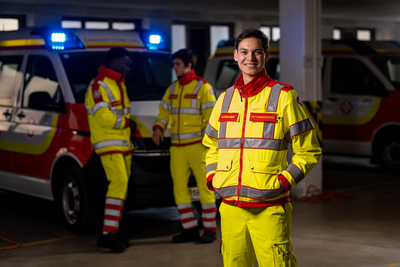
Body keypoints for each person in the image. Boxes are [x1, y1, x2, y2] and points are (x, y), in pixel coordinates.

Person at [202, 28, 321, 266]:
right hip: (230, 208)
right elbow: (211, 145)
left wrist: (283, 182)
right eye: (244, 52)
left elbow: (308, 150)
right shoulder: (224, 99)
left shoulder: (284, 96)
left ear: (266, 56)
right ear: (235, 55)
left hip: (269, 208)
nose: (250, 58)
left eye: (257, 52)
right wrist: (213, 177)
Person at [152, 49, 218, 243]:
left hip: (198, 147)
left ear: (189, 66)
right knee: (179, 188)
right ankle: (189, 228)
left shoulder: (203, 88)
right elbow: (163, 112)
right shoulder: (172, 89)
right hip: (177, 148)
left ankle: (210, 229)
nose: (174, 67)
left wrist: (209, 146)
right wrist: (158, 128)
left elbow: (212, 119)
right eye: (174, 64)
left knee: (205, 188)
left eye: (177, 64)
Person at [85, 47, 136, 253]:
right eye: (125, 63)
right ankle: (107, 234)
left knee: (121, 188)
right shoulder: (99, 85)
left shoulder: (118, 84)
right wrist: (127, 123)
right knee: (119, 184)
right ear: (115, 63)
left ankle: (112, 231)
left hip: (122, 144)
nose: (128, 67)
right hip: (108, 143)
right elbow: (103, 117)